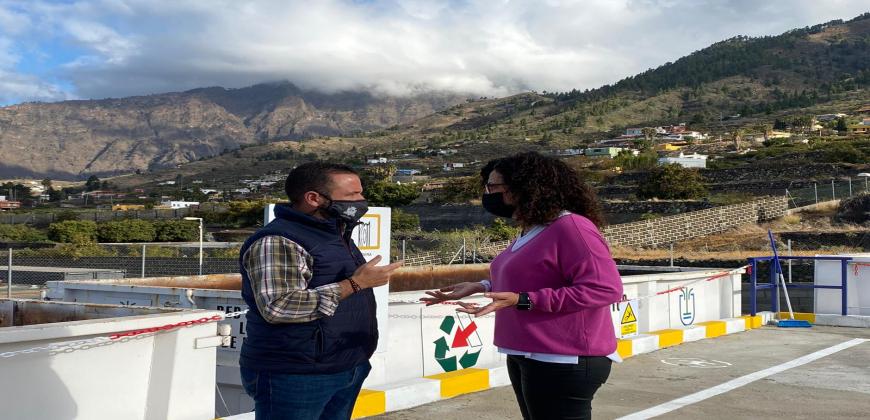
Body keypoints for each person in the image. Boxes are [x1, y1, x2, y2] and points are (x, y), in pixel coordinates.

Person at [422, 152, 623, 420]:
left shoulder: (572, 227)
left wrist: (524, 300)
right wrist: (481, 286)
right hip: (527, 351)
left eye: (494, 187)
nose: (488, 194)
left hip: (563, 357)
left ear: (525, 188)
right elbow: (534, 277)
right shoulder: (534, 228)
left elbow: (605, 288)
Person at [239, 161, 402, 420]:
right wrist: (355, 284)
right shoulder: (278, 240)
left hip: (345, 364)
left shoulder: (336, 234)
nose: (362, 201)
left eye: (360, 193)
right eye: (352, 195)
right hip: (296, 373)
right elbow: (278, 306)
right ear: (314, 198)